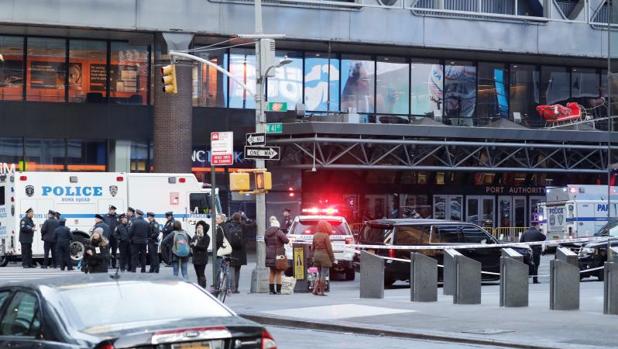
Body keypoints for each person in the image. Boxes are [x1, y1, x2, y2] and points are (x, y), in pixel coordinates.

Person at [224, 212, 255, 293]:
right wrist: (246, 218)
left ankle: (231, 288)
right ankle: (236, 288)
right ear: (240, 218)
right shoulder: (243, 225)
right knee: (237, 270)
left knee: (231, 269)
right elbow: (254, 224)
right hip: (240, 251)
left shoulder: (228, 225)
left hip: (231, 250)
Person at [265, 216, 289, 295]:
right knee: (278, 272)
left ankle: (271, 291)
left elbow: (266, 242)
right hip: (278, 254)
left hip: (269, 253)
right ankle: (278, 290)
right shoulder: (279, 232)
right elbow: (286, 241)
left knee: (272, 272)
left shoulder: (267, 232)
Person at [312, 220, 336, 296]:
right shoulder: (326, 236)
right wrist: (332, 259)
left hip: (316, 256)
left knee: (319, 274)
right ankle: (321, 291)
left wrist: (313, 256)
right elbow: (329, 249)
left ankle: (315, 290)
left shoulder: (315, 235)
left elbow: (312, 247)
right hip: (324, 257)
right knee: (323, 274)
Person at [191, 221, 210, 288]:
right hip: (195, 258)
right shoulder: (195, 236)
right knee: (198, 274)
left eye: (200, 227)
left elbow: (204, 247)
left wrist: (196, 245)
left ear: (203, 228)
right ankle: (199, 286)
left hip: (202, 258)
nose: (199, 228)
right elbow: (191, 244)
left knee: (201, 273)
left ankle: (203, 287)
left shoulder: (206, 237)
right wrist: (192, 245)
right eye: (198, 227)